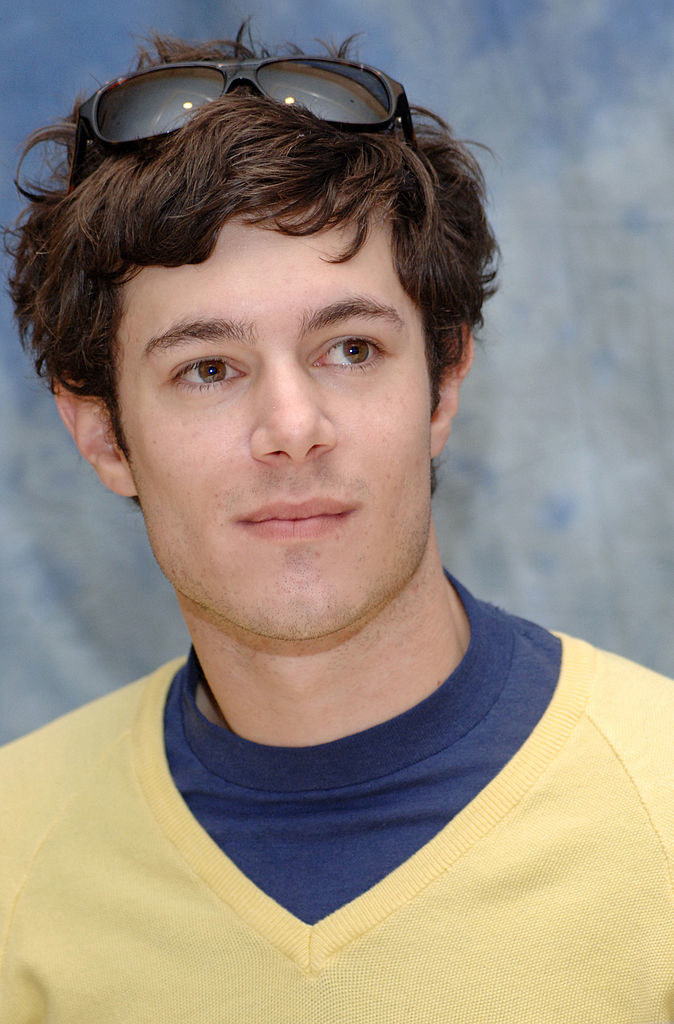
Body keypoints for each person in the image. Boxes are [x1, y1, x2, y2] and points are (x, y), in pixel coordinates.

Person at [1, 30, 672, 1024]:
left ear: (441, 382)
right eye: (208, 368)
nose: (291, 429)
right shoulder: (16, 848)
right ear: (100, 431)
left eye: (349, 348)